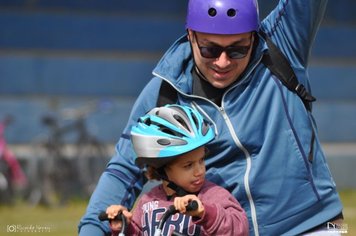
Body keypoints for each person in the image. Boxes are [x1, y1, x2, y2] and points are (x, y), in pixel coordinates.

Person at [79, 0, 344, 235]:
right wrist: (93, 228)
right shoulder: (165, 91)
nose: (223, 62)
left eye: (238, 49)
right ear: (191, 35)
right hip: (225, 229)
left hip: (314, 223)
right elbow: (125, 170)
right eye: (210, 50)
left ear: (254, 36)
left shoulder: (281, 46)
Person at [105, 104, 248, 236]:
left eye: (202, 160)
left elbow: (239, 229)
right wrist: (124, 227)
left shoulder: (213, 196)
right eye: (188, 165)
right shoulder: (148, 201)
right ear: (161, 167)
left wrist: (204, 212)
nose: (199, 171)